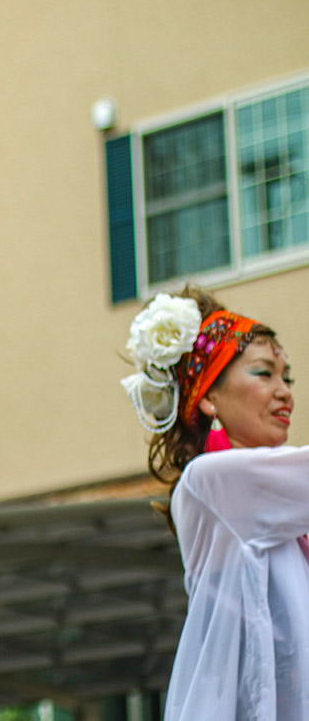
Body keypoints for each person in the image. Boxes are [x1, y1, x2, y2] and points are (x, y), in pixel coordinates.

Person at [120, 285, 301, 719]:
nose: (285, 392)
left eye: (287, 377)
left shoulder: (285, 505)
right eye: (263, 373)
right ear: (208, 398)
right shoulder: (209, 482)